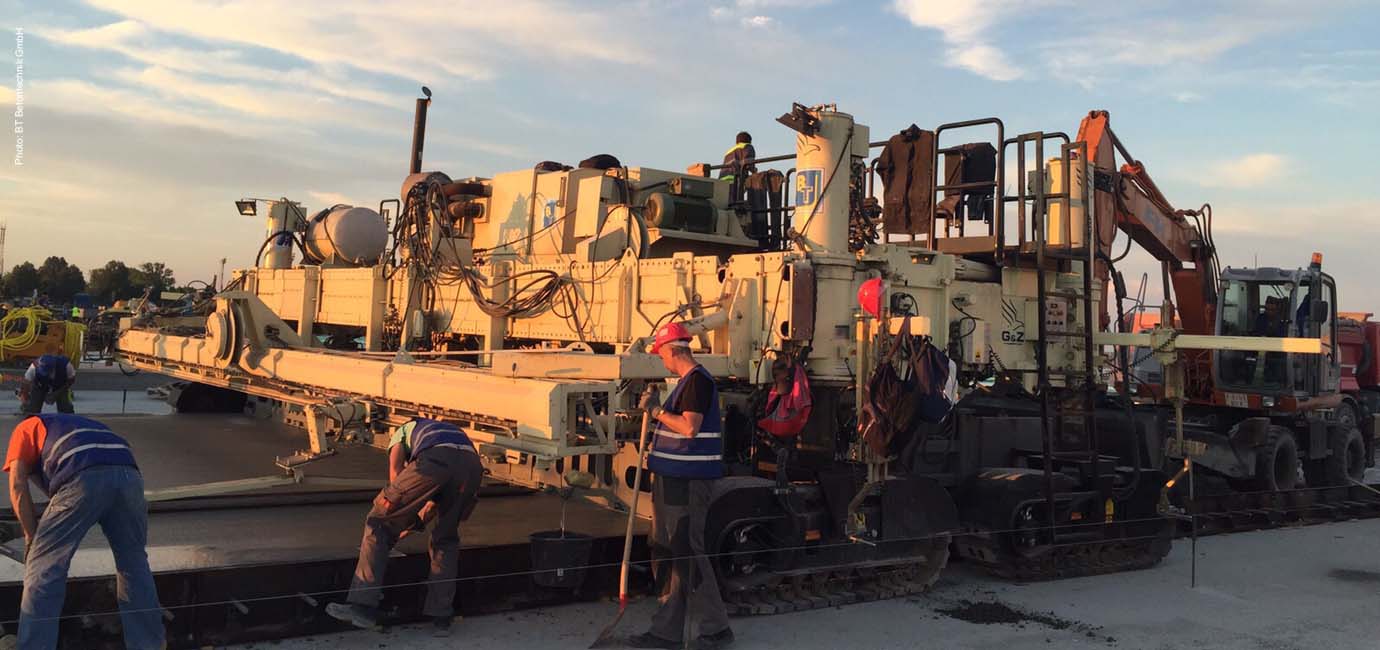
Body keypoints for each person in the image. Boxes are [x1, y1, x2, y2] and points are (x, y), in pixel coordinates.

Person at [4, 414, 163, 649]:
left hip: (81, 474)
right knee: (134, 563)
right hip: (129, 475)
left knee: (44, 569)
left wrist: (31, 536)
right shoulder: (73, 429)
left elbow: (18, 485)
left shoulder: (24, 428)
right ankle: (149, 644)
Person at [326, 417, 483, 637]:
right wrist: (414, 523)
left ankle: (363, 605)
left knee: (377, 523)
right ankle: (442, 618)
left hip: (435, 461)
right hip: (472, 468)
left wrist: (396, 523)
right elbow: (431, 506)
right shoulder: (452, 433)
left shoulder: (403, 430)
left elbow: (396, 472)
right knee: (445, 539)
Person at [629, 322, 734, 650]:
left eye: (660, 353)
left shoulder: (698, 382)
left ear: (672, 350)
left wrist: (656, 410)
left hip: (687, 482)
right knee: (668, 549)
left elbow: (689, 428)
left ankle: (715, 629)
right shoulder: (687, 384)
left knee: (686, 550)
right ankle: (667, 629)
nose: (661, 360)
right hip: (674, 479)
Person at [718, 131, 756, 202]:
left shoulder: (729, 151)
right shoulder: (747, 146)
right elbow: (749, 163)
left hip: (723, 181)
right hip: (736, 179)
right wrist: (754, 171)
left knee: (727, 203)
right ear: (749, 141)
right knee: (737, 202)